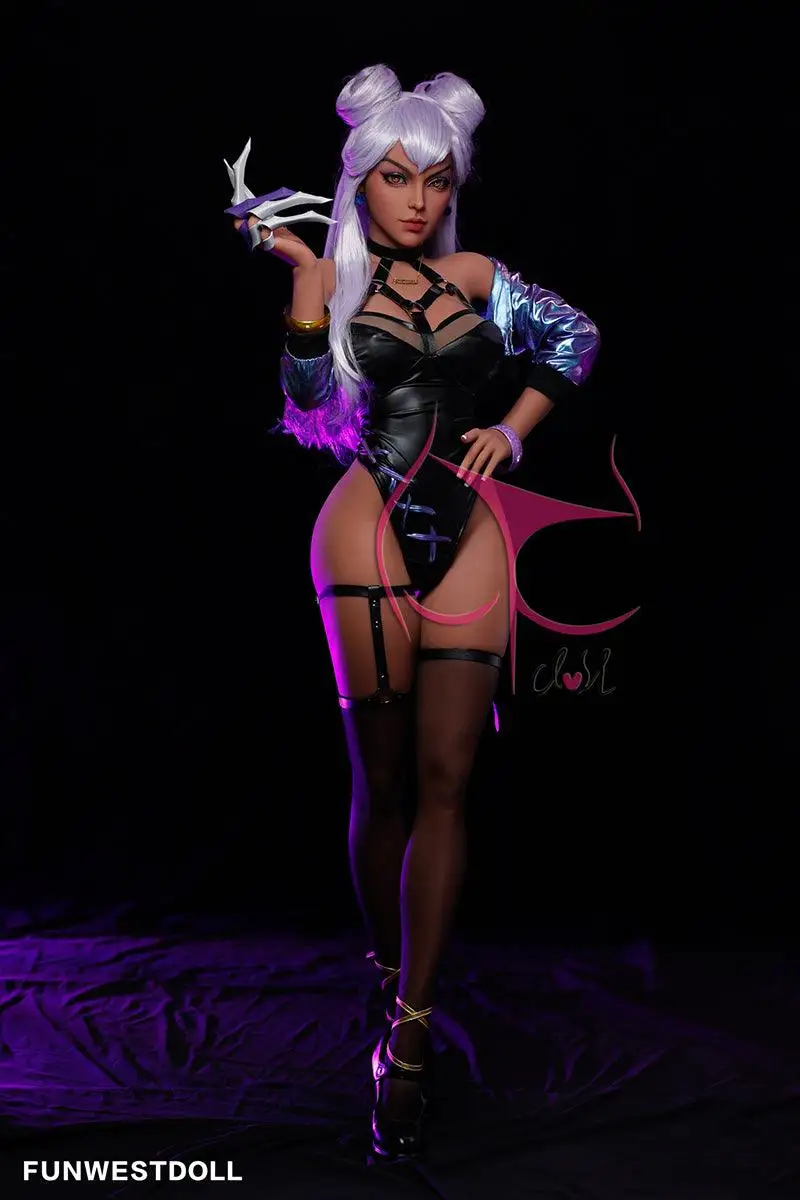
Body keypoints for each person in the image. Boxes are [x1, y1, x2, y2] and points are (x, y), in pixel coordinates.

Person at [227, 63, 600, 1164]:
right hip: (368, 522)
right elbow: (309, 411)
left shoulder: (480, 276)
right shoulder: (336, 280)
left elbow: (575, 339)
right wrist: (305, 280)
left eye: (437, 181)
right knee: (383, 778)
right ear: (359, 180)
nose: (420, 199)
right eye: (397, 177)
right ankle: (385, 972)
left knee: (446, 780)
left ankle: (413, 1029)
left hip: (471, 527)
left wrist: (514, 430)